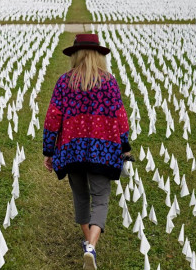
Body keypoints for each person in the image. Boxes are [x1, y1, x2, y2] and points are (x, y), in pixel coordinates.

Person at [42, 34, 132, 270]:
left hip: (72, 151)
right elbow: (121, 118)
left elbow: (52, 119)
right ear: (98, 56)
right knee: (100, 199)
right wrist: (125, 146)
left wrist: (48, 150)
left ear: (76, 55)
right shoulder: (109, 82)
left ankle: (88, 243)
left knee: (80, 196)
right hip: (102, 151)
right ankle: (91, 246)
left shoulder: (64, 82)